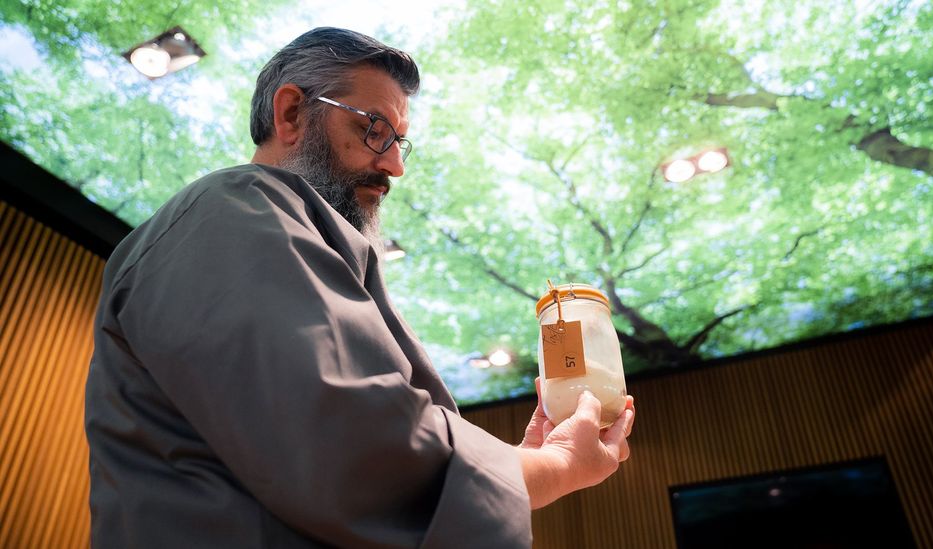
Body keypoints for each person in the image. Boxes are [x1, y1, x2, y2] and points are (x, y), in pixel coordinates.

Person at [85, 27, 635, 548]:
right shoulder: (230, 208)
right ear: (292, 112)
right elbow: (352, 446)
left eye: (401, 142)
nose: (394, 165)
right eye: (374, 128)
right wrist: (553, 466)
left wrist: (524, 462)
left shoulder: (288, 234)